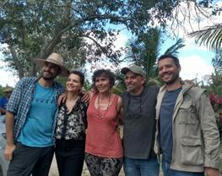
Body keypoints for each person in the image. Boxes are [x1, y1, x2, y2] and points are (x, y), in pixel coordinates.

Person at [154, 54, 220, 176]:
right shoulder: (160, 94)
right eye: (161, 68)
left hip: (190, 167)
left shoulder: (196, 94)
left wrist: (212, 165)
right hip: (167, 163)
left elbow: (210, 130)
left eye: (168, 66)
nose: (164, 71)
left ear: (179, 68)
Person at [4, 52, 69, 176]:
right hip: (25, 144)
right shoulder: (26, 84)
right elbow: (10, 112)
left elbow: (75, 92)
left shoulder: (59, 90)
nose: (48, 69)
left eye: (53, 67)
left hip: (48, 147)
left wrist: (86, 93)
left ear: (58, 71)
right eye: (46, 65)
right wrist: (10, 144)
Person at [121, 64, 159, 176]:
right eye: (126, 78)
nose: (129, 80)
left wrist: (184, 83)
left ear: (142, 80)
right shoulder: (123, 97)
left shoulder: (155, 92)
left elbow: (173, 89)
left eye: (133, 77)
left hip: (149, 157)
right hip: (128, 156)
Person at [85, 69, 123, 176]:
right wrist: (63, 94)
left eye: (103, 80)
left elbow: (124, 120)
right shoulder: (91, 97)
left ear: (110, 82)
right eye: (97, 80)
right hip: (90, 151)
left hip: (112, 152)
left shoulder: (118, 100)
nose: (100, 83)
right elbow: (73, 91)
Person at [55, 70, 88, 176]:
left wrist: (89, 92)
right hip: (59, 145)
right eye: (69, 80)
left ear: (81, 85)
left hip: (77, 147)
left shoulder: (85, 102)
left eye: (75, 81)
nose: (71, 83)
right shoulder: (59, 100)